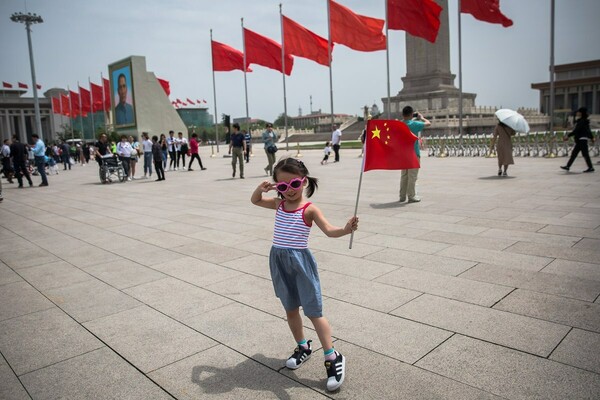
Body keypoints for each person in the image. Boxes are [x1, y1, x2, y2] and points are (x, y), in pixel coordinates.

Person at [250, 157, 359, 392]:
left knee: (313, 312)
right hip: (279, 262)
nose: (289, 190)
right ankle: (303, 346)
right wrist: (261, 188)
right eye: (282, 186)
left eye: (294, 184)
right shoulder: (278, 204)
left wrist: (346, 229)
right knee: (290, 310)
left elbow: (330, 231)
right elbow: (256, 200)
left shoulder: (309, 209)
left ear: (304, 181)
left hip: (301, 263)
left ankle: (332, 356)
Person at [400, 106, 430, 203]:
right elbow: (428, 123)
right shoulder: (414, 124)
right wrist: (421, 118)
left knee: (404, 176)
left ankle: (402, 196)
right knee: (412, 176)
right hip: (413, 153)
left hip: (403, 154)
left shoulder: (400, 124)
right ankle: (411, 196)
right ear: (411, 114)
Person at [561, 107, 595, 173]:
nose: (577, 113)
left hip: (582, 140)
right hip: (581, 140)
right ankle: (568, 166)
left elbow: (576, 130)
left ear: (581, 113)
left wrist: (568, 136)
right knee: (574, 154)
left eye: (579, 112)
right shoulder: (584, 121)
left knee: (585, 154)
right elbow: (588, 131)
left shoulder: (582, 121)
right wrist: (592, 137)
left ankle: (590, 167)